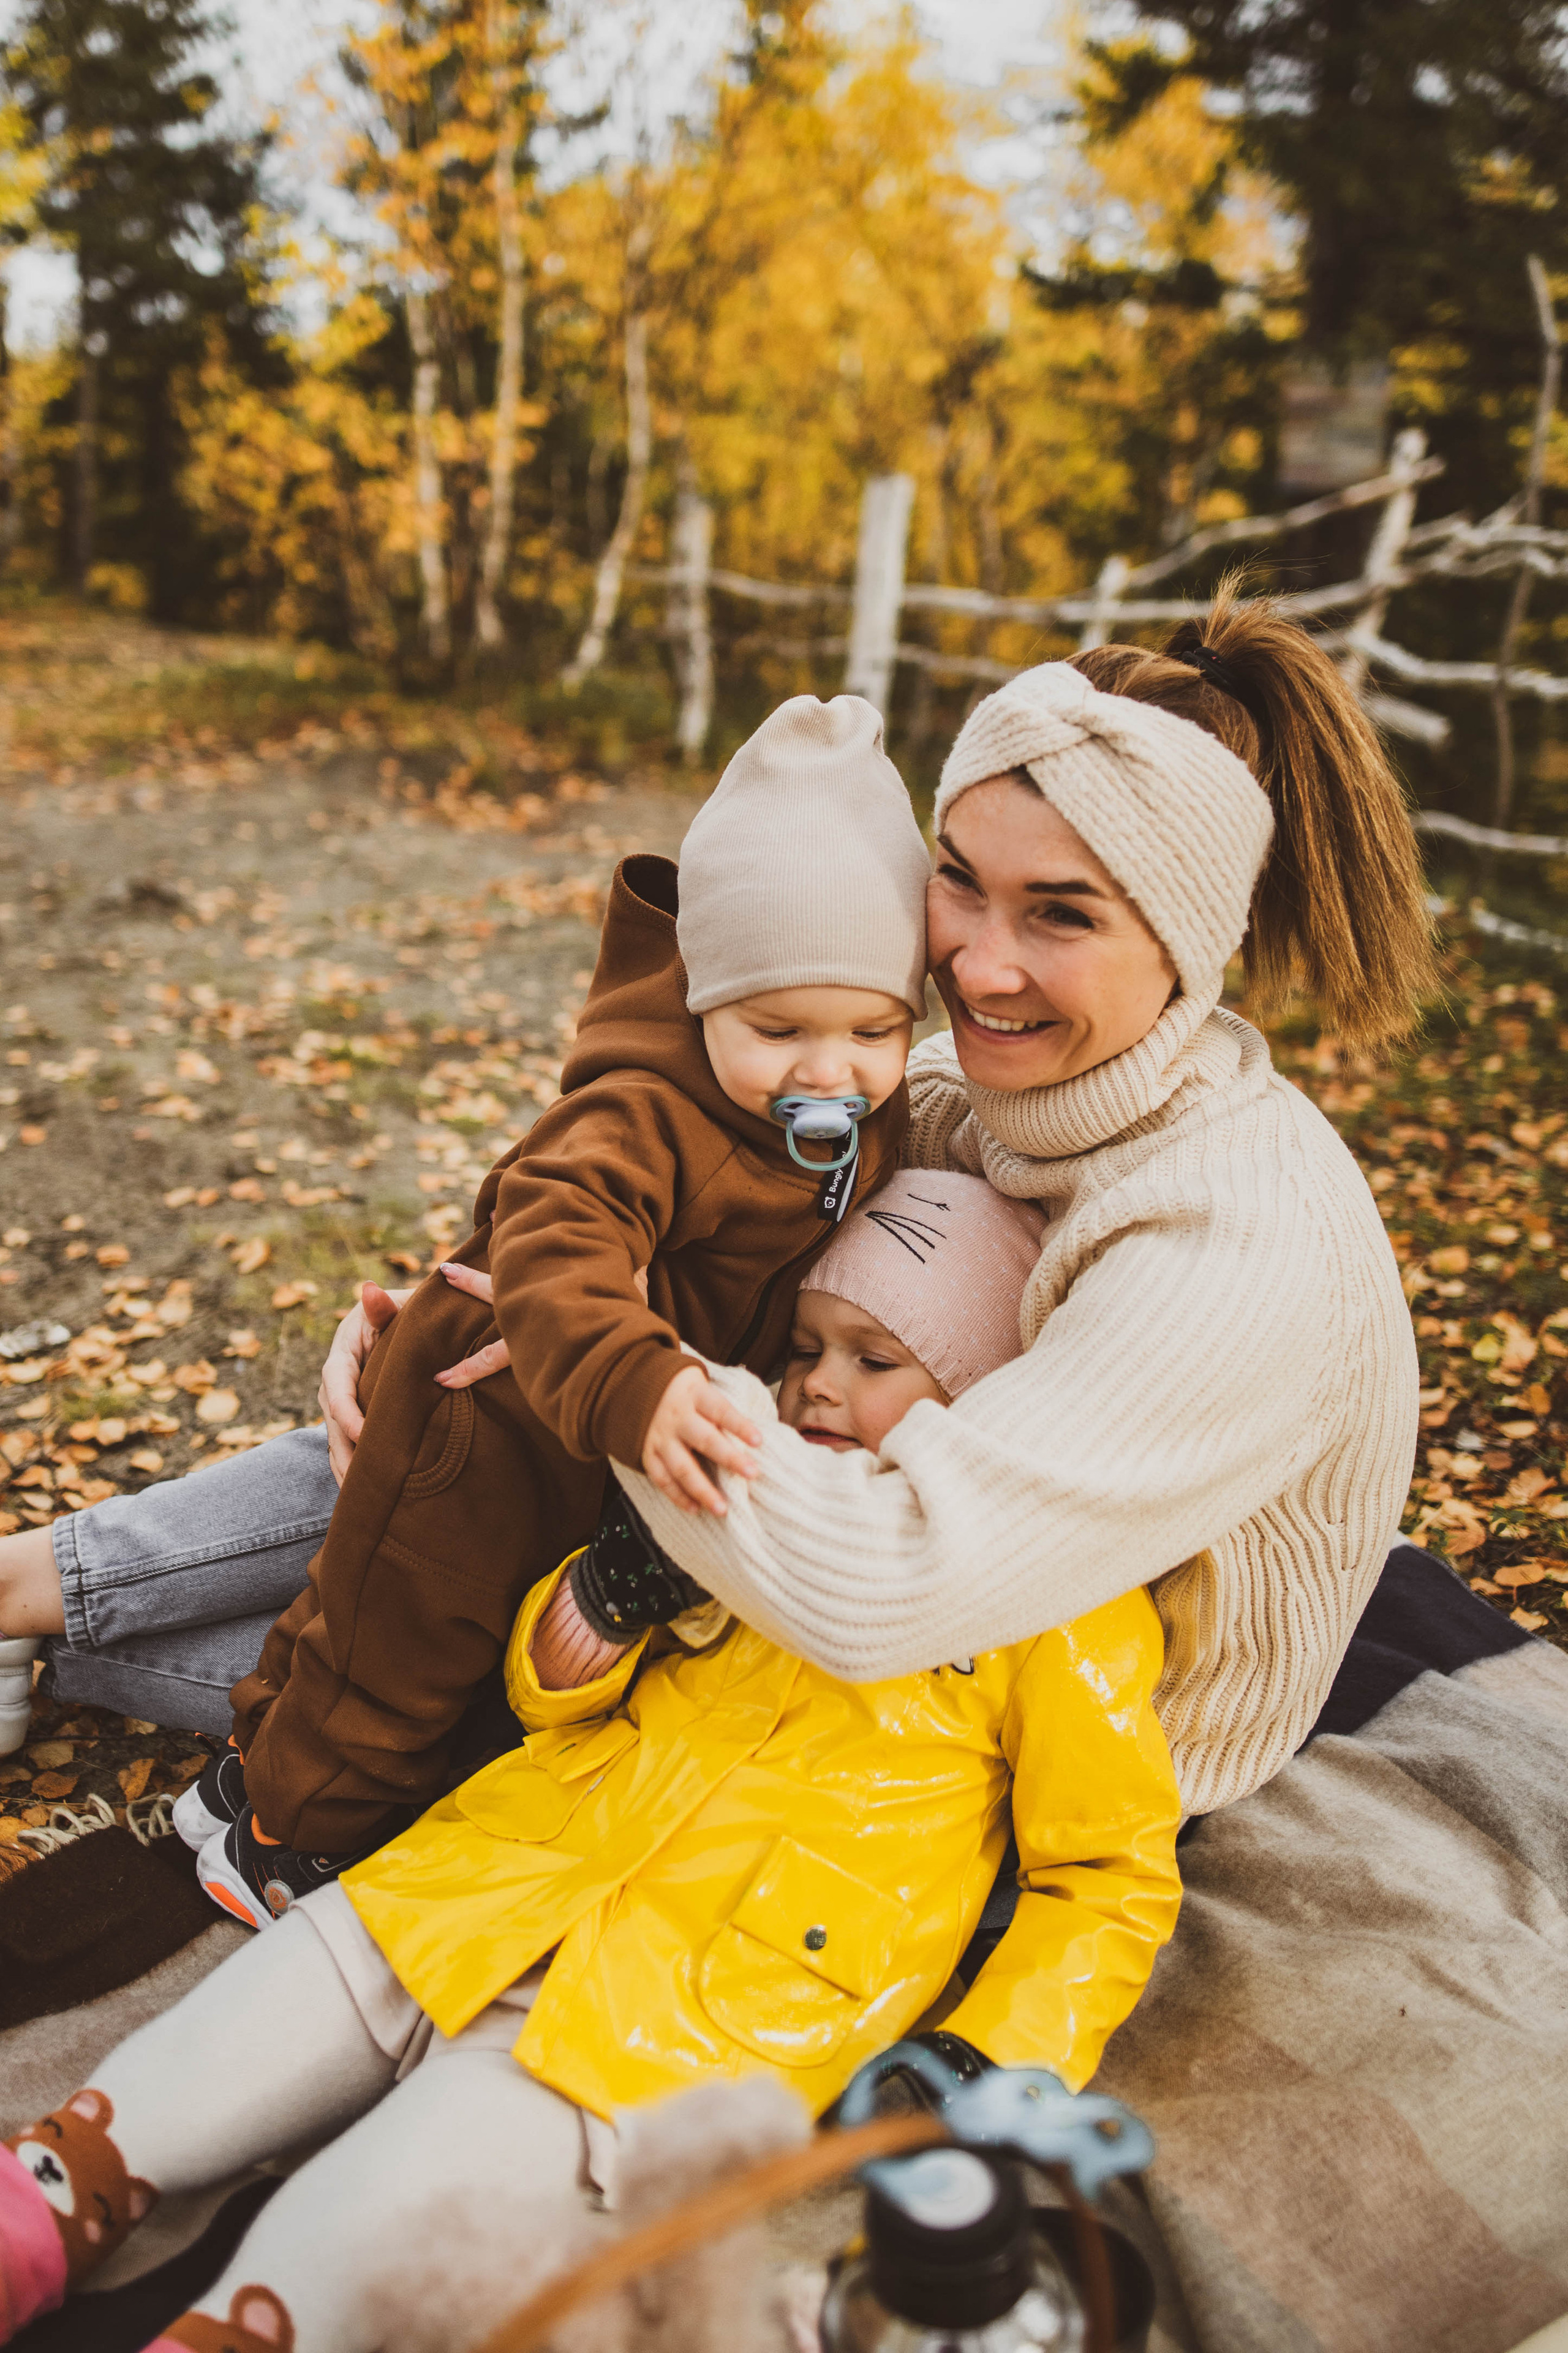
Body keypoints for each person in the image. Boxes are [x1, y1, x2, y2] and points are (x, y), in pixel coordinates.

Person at [0, 591, 1435, 1823]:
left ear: (1187, 939)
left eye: (1060, 912)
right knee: (469, 1398)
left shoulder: (1225, 1242)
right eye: (958, 882)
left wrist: (604, 1374)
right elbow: (631, 1191)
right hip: (826, 1564)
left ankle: (62, 1645)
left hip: (996, 1742)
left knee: (467, 1560)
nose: (978, 966)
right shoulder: (952, 1096)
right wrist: (463, 1294)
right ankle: (21, 1588)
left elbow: (876, 1586)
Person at [0, 1172, 1183, 2353]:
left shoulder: (1055, 1604)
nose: (819, 1382)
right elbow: (544, 1703)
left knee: (364, 2228)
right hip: (482, 1877)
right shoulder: (747, 1487)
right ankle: (37, 2216)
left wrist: (989, 2053)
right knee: (179, 2082)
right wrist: (600, 1604)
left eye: (877, 1360)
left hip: (691, 2014)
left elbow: (1109, 1877)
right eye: (808, 1347)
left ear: (982, 1393)